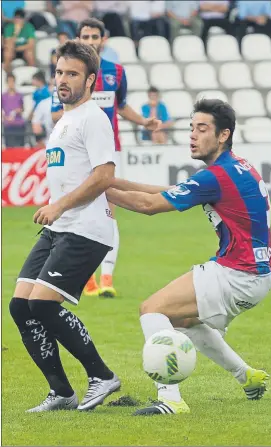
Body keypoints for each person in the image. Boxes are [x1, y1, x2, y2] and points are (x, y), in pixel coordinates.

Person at [106, 98, 271, 415]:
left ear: (223, 135)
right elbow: (167, 190)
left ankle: (169, 399)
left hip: (238, 273)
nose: (193, 135)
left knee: (152, 309)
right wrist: (110, 181)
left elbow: (148, 206)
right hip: (257, 274)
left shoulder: (215, 177)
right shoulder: (237, 167)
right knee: (180, 320)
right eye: (191, 128)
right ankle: (246, 376)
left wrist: (94, 189)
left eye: (202, 129)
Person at [9, 40, 121, 413]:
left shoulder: (93, 118)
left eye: (72, 74)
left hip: (86, 228)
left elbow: (104, 175)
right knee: (20, 305)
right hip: (60, 226)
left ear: (90, 80)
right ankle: (61, 392)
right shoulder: (62, 122)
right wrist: (56, 206)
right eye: (59, 72)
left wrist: (58, 205)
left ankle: (101, 375)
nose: (62, 80)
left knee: (42, 305)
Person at [51, 18, 161, 298]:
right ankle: (86, 277)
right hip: (77, 151)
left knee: (109, 210)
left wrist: (143, 123)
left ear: (103, 39)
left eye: (94, 36)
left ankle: (107, 278)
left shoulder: (116, 73)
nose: (90, 41)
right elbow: (55, 113)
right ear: (79, 39)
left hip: (108, 151)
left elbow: (121, 106)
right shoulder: (69, 74)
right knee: (79, 207)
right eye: (85, 36)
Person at [2, 8, 35, 73]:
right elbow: (8, 44)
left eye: (20, 18)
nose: (18, 20)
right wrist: (16, 33)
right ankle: (7, 74)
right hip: (12, 50)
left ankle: (32, 74)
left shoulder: (29, 27)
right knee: (7, 53)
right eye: (16, 18)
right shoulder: (9, 27)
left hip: (23, 49)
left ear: (23, 19)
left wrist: (18, 48)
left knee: (30, 53)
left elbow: (31, 44)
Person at [1, 73, 26, 148]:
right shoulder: (3, 96)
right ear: (6, 83)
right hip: (8, 125)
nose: (10, 83)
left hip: (19, 124)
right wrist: (5, 118)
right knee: (9, 147)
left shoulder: (19, 95)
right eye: (9, 81)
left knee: (20, 147)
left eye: (12, 81)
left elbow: (22, 109)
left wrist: (19, 110)